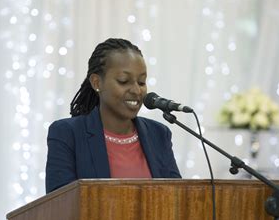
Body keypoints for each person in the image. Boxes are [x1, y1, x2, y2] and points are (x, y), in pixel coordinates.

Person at [45, 38, 181, 193]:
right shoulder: (67, 133)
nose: (137, 91)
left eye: (142, 82)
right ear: (97, 83)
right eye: (124, 81)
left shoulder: (158, 134)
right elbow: (59, 204)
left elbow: (176, 198)